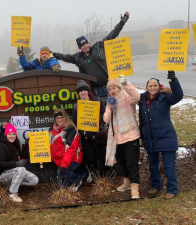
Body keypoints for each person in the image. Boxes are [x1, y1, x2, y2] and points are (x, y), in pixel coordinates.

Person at [52, 12, 130, 98]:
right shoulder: (78, 58)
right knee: (101, 110)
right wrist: (52, 54)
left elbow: (112, 35)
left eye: (86, 44)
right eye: (82, 45)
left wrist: (122, 22)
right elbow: (65, 57)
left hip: (110, 87)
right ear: (80, 48)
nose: (85, 46)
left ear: (88, 43)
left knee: (114, 109)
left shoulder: (98, 47)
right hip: (95, 90)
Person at [139, 71, 183, 199]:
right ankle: (155, 185)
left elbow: (178, 95)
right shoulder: (143, 100)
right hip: (150, 138)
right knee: (153, 165)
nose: (153, 88)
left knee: (169, 165)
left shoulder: (165, 98)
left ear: (159, 87)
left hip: (166, 137)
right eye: (150, 86)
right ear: (147, 88)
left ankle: (172, 189)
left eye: (155, 86)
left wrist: (173, 80)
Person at [103, 77, 140, 199]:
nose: (112, 90)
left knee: (132, 162)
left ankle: (135, 186)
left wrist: (126, 84)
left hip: (130, 135)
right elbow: (106, 120)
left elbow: (136, 97)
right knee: (123, 162)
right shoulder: (110, 101)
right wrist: (110, 109)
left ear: (119, 88)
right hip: (117, 138)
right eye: (109, 89)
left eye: (114, 88)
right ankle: (127, 182)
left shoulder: (126, 95)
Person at [0, 124, 39, 203]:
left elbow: (21, 158)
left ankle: (13, 185)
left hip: (15, 171)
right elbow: (1, 164)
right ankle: (12, 193)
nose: (12, 136)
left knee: (34, 180)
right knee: (21, 169)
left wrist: (26, 145)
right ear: (6, 135)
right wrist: (17, 163)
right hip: (2, 175)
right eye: (9, 134)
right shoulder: (0, 145)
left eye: (13, 134)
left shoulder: (14, 144)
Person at [72, 80, 108, 176]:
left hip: (100, 132)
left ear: (88, 91)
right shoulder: (76, 106)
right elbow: (76, 122)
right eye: (81, 91)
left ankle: (104, 175)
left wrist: (95, 123)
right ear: (78, 93)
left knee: (103, 154)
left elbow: (103, 113)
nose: (83, 92)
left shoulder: (97, 100)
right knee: (90, 156)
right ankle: (94, 175)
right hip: (86, 135)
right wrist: (83, 132)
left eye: (85, 90)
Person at [50, 108, 88, 191]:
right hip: (61, 160)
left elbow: (71, 150)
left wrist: (64, 165)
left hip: (73, 158)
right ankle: (83, 172)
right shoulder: (53, 131)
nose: (59, 120)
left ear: (65, 117)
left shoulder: (71, 129)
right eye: (57, 118)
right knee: (62, 186)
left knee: (63, 174)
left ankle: (77, 181)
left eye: (61, 117)